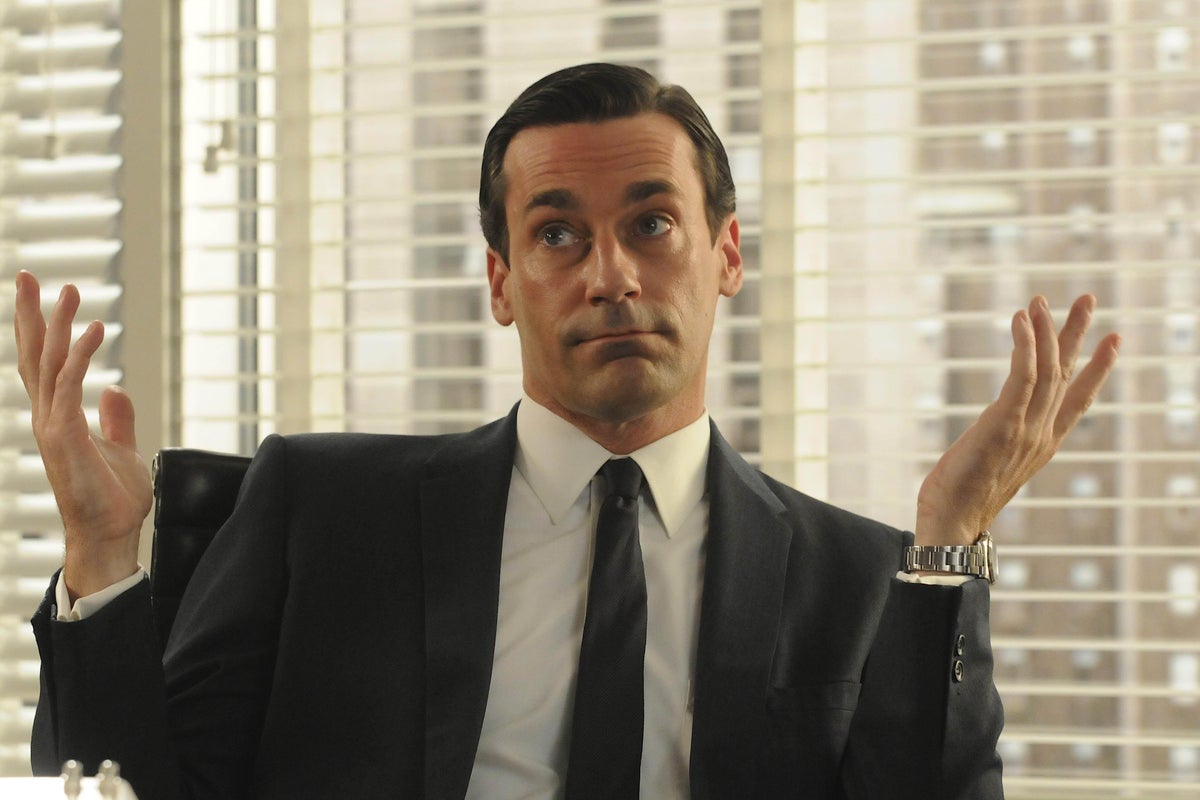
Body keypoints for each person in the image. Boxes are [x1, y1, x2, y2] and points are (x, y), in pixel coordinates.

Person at [16, 63, 1120, 799]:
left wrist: (949, 538)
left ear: (726, 255)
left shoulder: (859, 577)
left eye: (652, 222)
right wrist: (103, 555)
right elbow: (129, 789)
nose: (611, 275)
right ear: (502, 283)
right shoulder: (319, 510)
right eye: (557, 234)